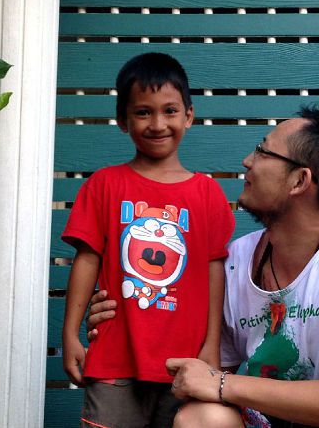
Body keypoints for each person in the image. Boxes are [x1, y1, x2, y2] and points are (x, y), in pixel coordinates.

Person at [88, 105, 319, 428]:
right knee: (201, 418)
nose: (247, 161)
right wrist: (123, 313)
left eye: (262, 151)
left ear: (299, 180)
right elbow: (202, 369)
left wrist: (223, 385)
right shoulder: (237, 260)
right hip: (266, 423)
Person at [62, 52, 235, 428]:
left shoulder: (208, 194)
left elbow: (214, 272)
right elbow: (87, 259)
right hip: (114, 358)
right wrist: (71, 334)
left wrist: (211, 345)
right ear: (122, 120)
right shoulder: (103, 185)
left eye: (170, 111)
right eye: (143, 112)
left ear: (189, 115)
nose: (158, 124)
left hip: (185, 362)